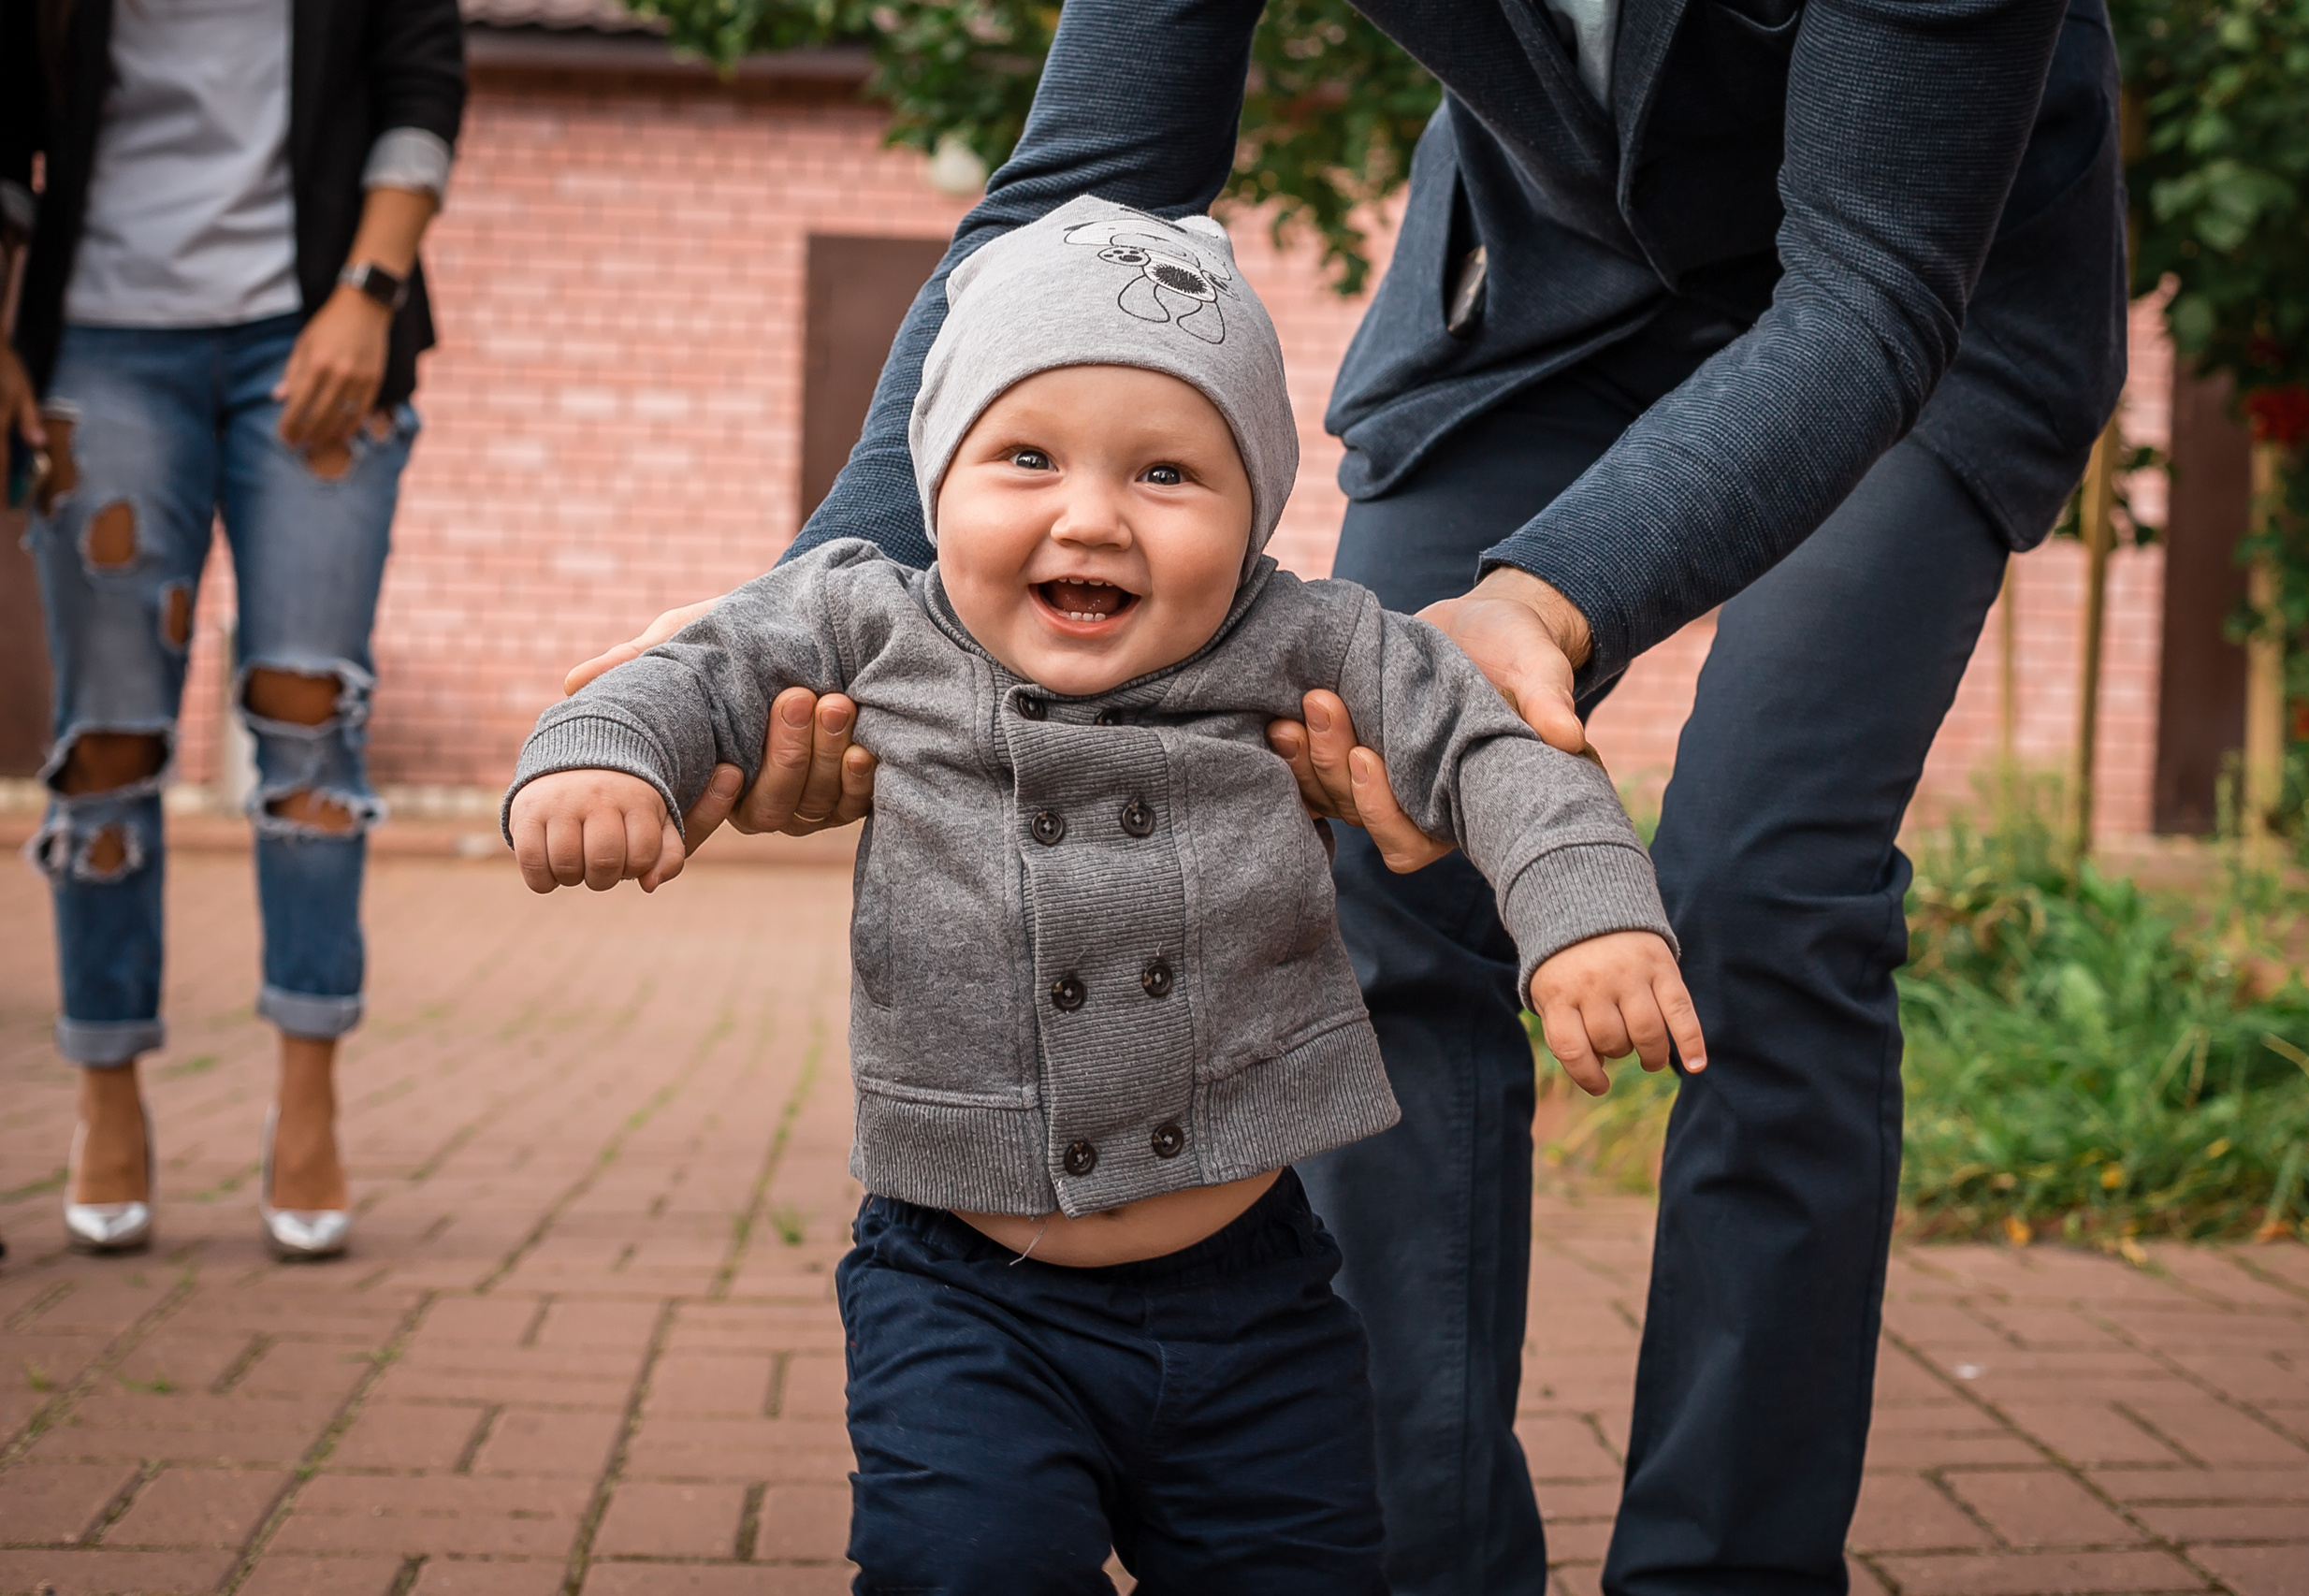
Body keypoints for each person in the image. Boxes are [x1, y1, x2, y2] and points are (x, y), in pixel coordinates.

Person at [573, 0, 2127, 1589]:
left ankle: (1726, 1567)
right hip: (1535, 297)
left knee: (1753, 900)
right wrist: (799, 624)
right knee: (1369, 855)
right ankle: (1419, 1560)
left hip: (1911, 294)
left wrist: (1546, 600)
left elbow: (1866, 286)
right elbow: (1091, 177)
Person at [508, 196, 1707, 1589]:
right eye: (1024, 457)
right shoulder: (865, 616)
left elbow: (1489, 740)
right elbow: (694, 668)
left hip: (1255, 1292)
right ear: (937, 477)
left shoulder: (1304, 637)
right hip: (965, 1294)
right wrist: (600, 760)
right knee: (969, 1568)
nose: (1091, 514)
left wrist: (1585, 907)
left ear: (1254, 514)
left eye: (1166, 475)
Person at [0, 0, 467, 1259]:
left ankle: (306, 1102)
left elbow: (421, 85)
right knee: (104, 739)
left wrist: (371, 294)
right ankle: (107, 1091)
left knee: (310, 716)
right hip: (96, 348)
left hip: (314, 335)